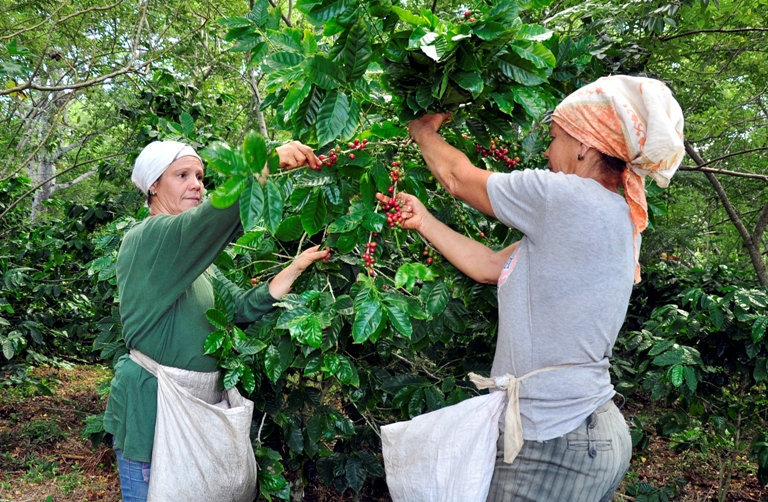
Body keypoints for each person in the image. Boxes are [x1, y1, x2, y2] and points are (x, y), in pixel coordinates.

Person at [382, 75, 684, 502]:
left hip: (552, 437)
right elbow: (490, 266)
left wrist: (421, 129)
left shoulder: (564, 199)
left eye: (556, 136)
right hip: (595, 430)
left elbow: (457, 176)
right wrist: (424, 220)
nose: (546, 151)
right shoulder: (617, 215)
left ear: (584, 144)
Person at [104, 139, 330, 501]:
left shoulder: (196, 265)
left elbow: (239, 308)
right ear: (153, 186)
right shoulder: (147, 238)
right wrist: (265, 162)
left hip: (197, 411)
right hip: (154, 416)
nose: (196, 184)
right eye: (182, 175)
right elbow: (210, 219)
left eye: (200, 176)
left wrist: (294, 268)